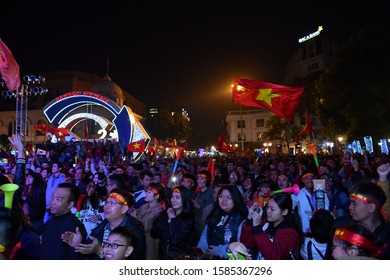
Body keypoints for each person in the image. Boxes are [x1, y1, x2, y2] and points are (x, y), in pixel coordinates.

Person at [61, 187, 146, 259]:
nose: (106, 206)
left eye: (112, 203)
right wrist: (79, 246)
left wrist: (101, 250)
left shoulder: (135, 232)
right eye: (107, 202)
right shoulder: (100, 229)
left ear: (124, 209)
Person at [240, 193, 302, 259]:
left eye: (272, 209)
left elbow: (274, 256)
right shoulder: (265, 223)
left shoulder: (290, 233)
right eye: (267, 207)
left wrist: (257, 227)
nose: (268, 211)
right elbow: (247, 243)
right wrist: (249, 220)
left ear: (284, 212)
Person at [197, 185, 248, 259]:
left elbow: (241, 247)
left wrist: (218, 250)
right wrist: (201, 252)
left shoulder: (240, 219)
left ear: (235, 199)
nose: (223, 200)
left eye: (228, 197)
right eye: (221, 196)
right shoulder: (215, 213)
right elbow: (204, 236)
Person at [40, 182, 88, 259]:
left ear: (70, 204)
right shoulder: (48, 223)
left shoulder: (76, 227)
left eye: (58, 199)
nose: (52, 202)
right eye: (52, 197)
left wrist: (77, 248)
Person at [347, 181, 390, 259]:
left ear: (371, 207)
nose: (349, 207)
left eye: (354, 203)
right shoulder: (345, 229)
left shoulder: (387, 237)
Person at [151, 185, 195, 259]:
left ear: (184, 199)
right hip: (162, 255)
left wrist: (173, 219)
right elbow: (154, 234)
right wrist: (164, 218)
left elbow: (176, 239)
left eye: (177, 197)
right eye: (172, 196)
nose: (173, 200)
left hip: (178, 258)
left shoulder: (188, 220)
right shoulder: (166, 213)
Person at [133, 182, 166, 259]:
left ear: (157, 196)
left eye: (149, 192)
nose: (146, 194)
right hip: (140, 239)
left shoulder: (158, 210)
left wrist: (134, 214)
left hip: (149, 242)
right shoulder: (146, 205)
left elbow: (144, 226)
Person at [291, 170, 330, 235]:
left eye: (312, 178)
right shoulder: (299, 194)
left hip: (321, 229)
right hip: (306, 231)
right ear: (302, 180)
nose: (310, 181)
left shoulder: (321, 192)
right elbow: (290, 206)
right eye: (306, 178)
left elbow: (326, 207)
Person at [21, 169, 46, 235]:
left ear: (36, 179)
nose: (28, 178)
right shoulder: (29, 188)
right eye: (27, 177)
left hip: (35, 220)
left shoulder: (39, 189)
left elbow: (39, 204)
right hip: (29, 219)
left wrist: (26, 198)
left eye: (30, 177)